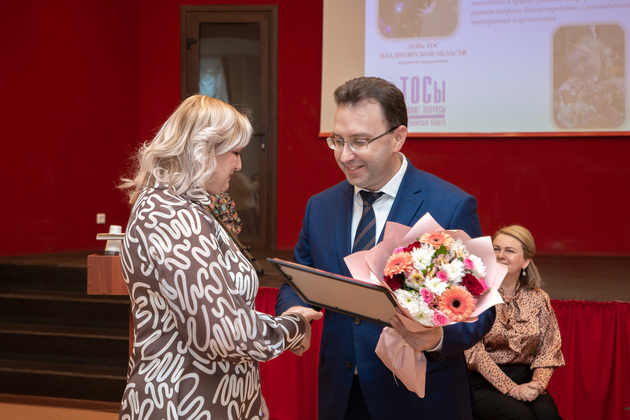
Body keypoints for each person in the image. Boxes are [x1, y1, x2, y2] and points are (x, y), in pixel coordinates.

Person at [275, 76, 496, 420]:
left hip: (419, 401)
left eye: (360, 141)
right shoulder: (320, 207)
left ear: (397, 137)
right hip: (342, 395)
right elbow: (299, 279)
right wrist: (293, 311)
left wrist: (437, 337)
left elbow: (480, 310)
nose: (345, 155)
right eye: (338, 140)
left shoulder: (448, 206)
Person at [117, 94, 322, 419]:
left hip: (212, 397)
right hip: (184, 401)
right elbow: (223, 332)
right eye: (235, 153)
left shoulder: (182, 207)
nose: (239, 165)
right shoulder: (173, 216)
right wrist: (293, 325)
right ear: (202, 150)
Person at [465, 225, 565, 420]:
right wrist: (511, 388)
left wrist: (536, 385)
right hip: (482, 381)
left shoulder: (539, 298)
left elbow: (549, 350)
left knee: (548, 416)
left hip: (525, 378)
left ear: (526, 261)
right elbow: (473, 353)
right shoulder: (474, 294)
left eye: (509, 251)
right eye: (496, 249)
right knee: (521, 417)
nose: (501, 255)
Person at [554, 32, 625, 129]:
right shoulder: (571, 87)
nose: (581, 69)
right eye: (574, 66)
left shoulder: (621, 74)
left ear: (600, 53)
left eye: (584, 59)